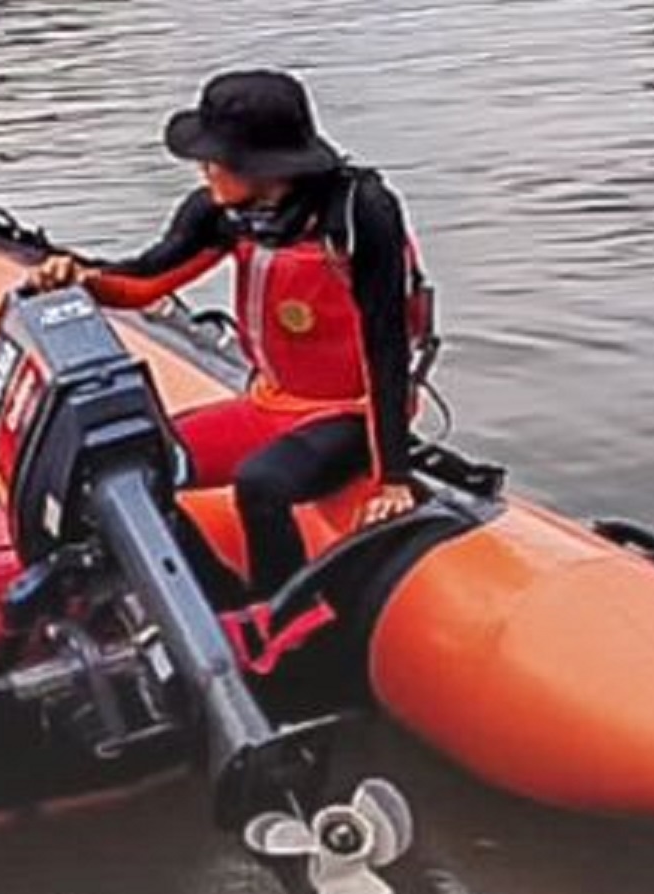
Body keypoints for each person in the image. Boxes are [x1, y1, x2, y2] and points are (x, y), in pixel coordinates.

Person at [28, 70, 432, 600]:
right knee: (134, 465)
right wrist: (80, 279)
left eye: (214, 159)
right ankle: (216, 597)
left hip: (350, 411)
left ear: (258, 165)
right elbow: (145, 281)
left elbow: (387, 343)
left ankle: (281, 611)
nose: (204, 169)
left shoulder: (359, 213)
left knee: (260, 484)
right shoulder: (221, 213)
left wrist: (393, 477)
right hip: (270, 402)